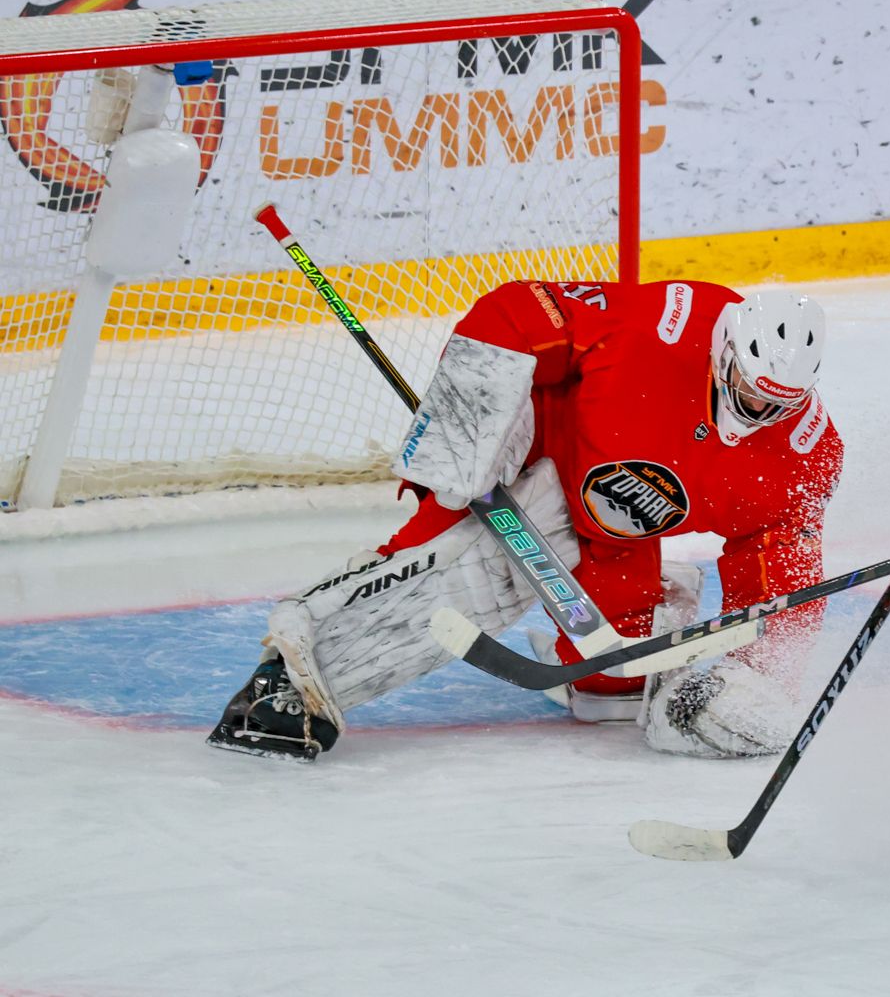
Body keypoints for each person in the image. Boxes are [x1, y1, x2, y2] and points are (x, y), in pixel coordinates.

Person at [206, 280, 843, 762]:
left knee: (610, 687)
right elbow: (517, 310)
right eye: (749, 389)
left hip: (619, 536)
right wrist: (466, 430)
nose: (758, 410)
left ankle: (657, 598)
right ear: (723, 351)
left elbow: (781, 568)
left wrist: (762, 676)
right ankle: (284, 683)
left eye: (777, 404)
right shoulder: (662, 324)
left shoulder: (802, 456)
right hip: (539, 442)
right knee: (450, 564)